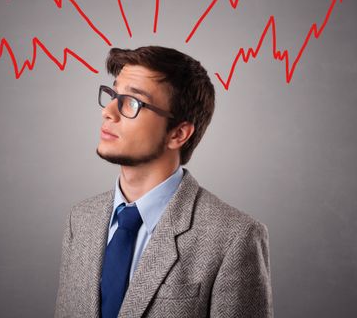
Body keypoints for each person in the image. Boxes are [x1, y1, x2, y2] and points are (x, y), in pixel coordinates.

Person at [54, 46, 273, 318]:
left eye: (131, 102)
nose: (108, 112)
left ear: (178, 134)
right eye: (113, 95)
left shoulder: (234, 238)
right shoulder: (81, 219)